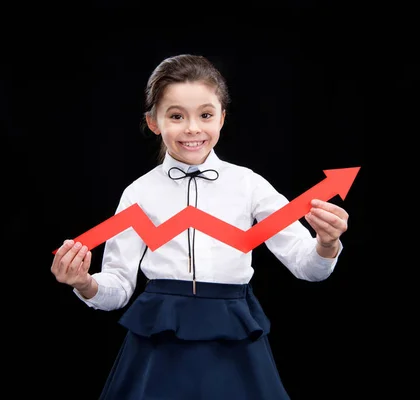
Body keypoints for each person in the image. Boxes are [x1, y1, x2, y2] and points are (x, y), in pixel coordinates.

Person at [50, 54, 350, 400]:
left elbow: (307, 267)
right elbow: (117, 287)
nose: (192, 128)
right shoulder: (138, 193)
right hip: (160, 334)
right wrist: (85, 283)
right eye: (176, 116)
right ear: (153, 122)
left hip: (232, 332)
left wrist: (326, 244)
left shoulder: (249, 185)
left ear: (222, 118)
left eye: (205, 115)